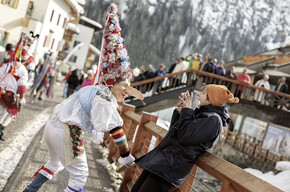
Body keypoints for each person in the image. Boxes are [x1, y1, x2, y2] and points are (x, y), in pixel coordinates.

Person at [23, 3, 143, 192]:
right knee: (80, 174)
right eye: (124, 86)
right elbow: (116, 129)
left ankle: (30, 190)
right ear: (111, 84)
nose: (126, 90)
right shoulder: (104, 100)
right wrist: (126, 155)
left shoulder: (95, 89)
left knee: (55, 164)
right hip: (66, 132)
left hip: (53, 125)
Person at [131, 84, 239, 192]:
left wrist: (187, 111)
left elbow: (185, 137)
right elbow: (175, 134)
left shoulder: (213, 120)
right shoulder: (203, 113)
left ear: (211, 99)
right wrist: (180, 113)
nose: (199, 94)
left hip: (170, 168)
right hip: (163, 161)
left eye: (203, 92)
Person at [0, 55, 28, 141]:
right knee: (12, 112)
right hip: (11, 95)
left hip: (1, 90)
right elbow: (22, 87)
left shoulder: (6, 65)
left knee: (2, 112)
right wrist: (21, 99)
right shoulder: (23, 69)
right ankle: (1, 128)